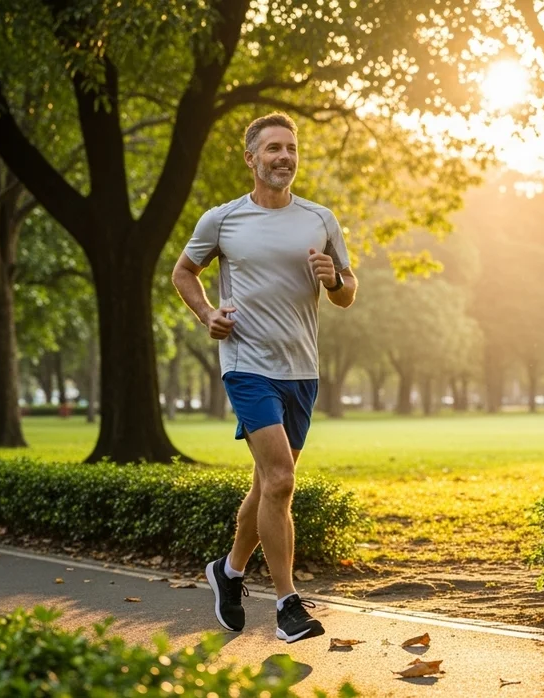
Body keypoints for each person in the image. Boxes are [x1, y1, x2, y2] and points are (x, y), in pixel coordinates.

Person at [171, 112, 357, 643]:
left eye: (291, 148)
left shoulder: (320, 218)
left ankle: (228, 571)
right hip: (247, 365)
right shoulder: (223, 220)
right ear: (251, 158)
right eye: (273, 148)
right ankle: (286, 606)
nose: (284, 157)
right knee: (280, 481)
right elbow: (184, 272)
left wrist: (335, 279)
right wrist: (207, 314)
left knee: (266, 485)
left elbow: (347, 292)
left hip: (302, 370)